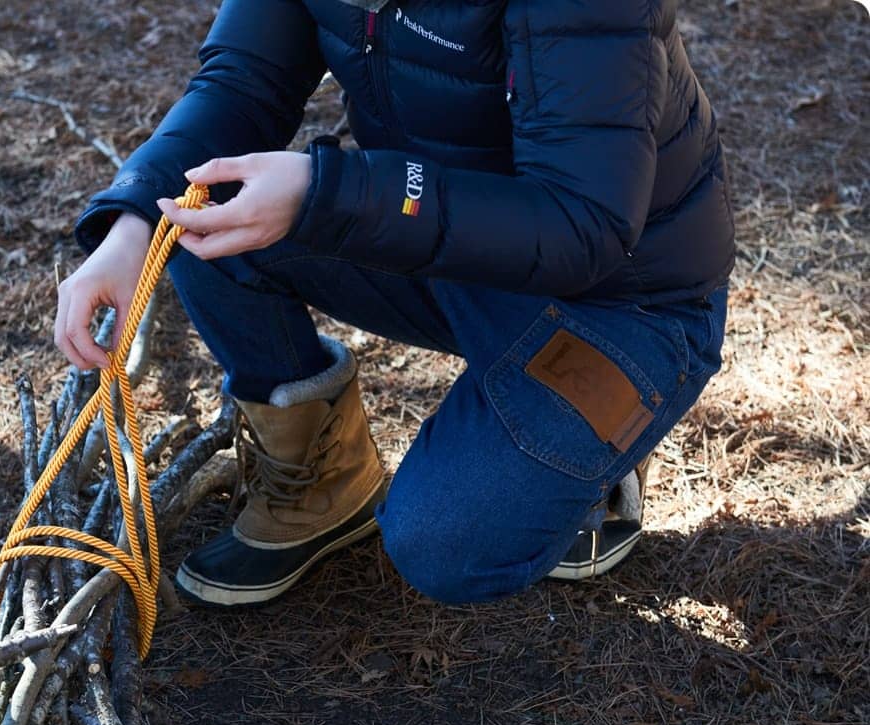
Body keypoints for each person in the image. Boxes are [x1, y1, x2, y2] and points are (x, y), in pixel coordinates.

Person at [55, 0, 733, 607]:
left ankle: (603, 456)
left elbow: (584, 223)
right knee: (202, 217)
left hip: (621, 300)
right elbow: (241, 81)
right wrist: (133, 226)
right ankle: (324, 481)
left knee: (447, 547)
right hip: (446, 240)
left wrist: (332, 190)